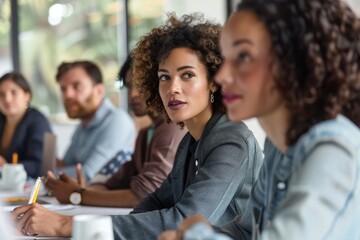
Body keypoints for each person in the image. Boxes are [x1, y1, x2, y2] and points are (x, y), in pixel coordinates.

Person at [12, 13, 263, 238]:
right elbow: (154, 201)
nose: (172, 88)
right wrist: (87, 226)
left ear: (213, 82)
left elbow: (184, 219)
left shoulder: (230, 140)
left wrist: (66, 225)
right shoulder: (191, 141)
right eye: (164, 77)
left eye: (187, 75)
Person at [159, 0, 360, 239]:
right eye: (226, 57)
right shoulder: (277, 147)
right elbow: (246, 232)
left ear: (294, 62)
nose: (222, 75)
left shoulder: (333, 149)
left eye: (243, 57)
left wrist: (194, 235)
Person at [43, 55, 187, 207]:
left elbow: (145, 194)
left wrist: (77, 195)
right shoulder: (145, 134)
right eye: (130, 86)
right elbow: (115, 182)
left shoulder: (171, 126)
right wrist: (79, 191)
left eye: (141, 85)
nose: (133, 94)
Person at [55, 60, 136, 181]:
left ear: (99, 90)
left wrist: (49, 172)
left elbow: (86, 175)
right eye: (63, 89)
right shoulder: (82, 125)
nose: (68, 95)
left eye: (76, 86)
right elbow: (66, 164)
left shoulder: (118, 120)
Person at [0, 72, 52, 178]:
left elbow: (41, 166)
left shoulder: (38, 122)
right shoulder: (2, 119)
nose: (7, 99)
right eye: (1, 94)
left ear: (27, 96)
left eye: (13, 93)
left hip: (31, 188)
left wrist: (7, 167)